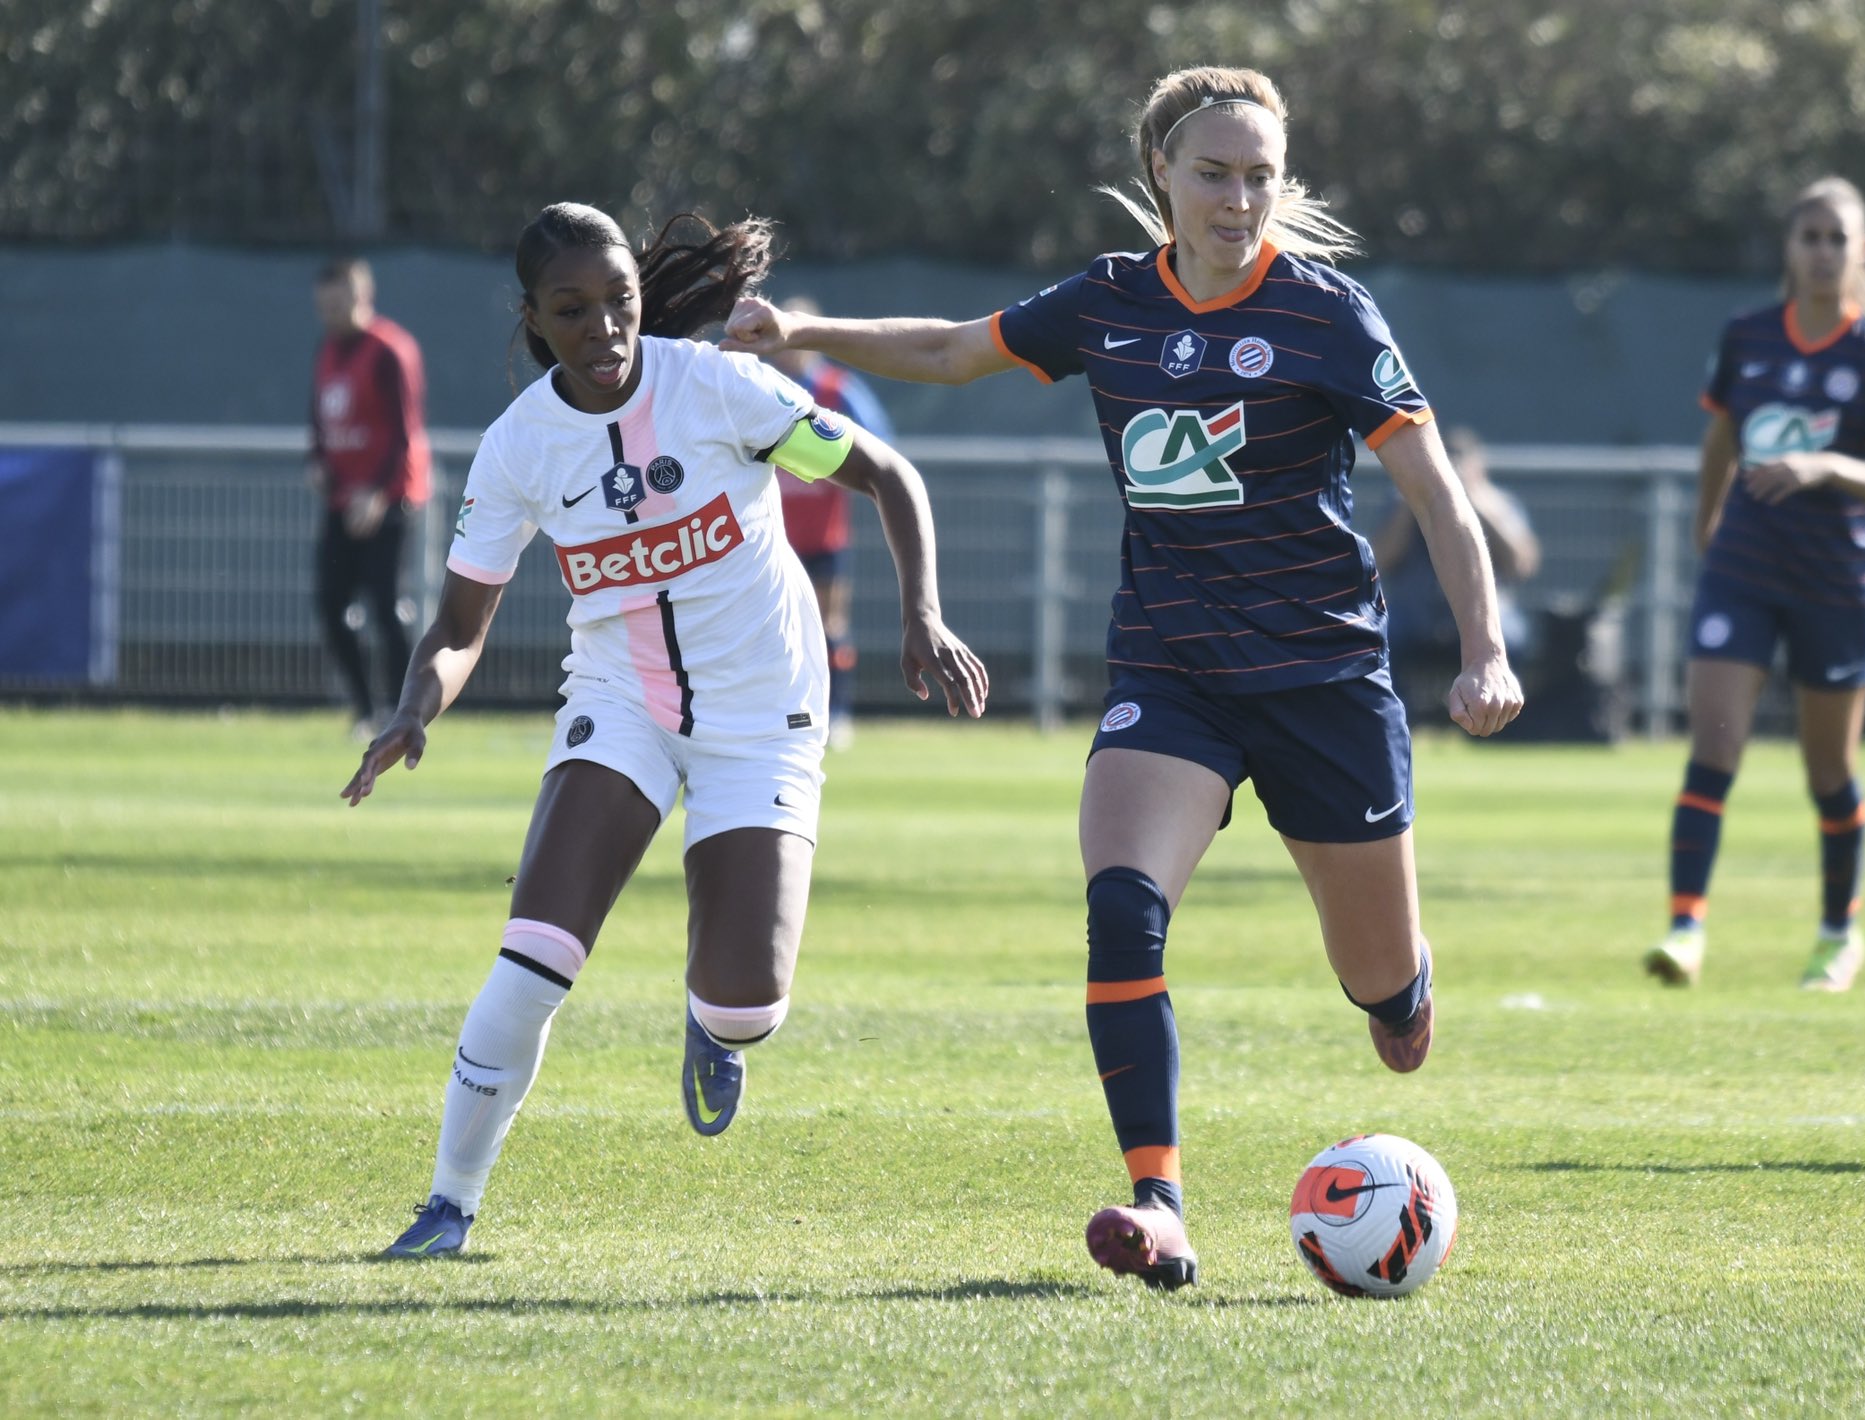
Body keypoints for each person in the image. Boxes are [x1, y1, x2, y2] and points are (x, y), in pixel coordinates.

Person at [724, 65, 1523, 1290]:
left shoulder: (1327, 314)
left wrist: (1483, 650)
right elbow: (948, 348)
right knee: (1119, 906)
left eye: (1260, 176)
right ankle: (1161, 1205)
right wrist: (802, 333)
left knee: (1385, 1009)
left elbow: (1434, 493)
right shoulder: (1107, 302)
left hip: (1322, 678)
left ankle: (1401, 988)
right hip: (1172, 670)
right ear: (1160, 171)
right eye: (1213, 173)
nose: (1238, 199)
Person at [342, 203, 988, 1258]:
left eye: (618, 305)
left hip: (764, 707)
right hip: (621, 704)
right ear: (533, 319)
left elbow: (885, 473)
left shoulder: (719, 387)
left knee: (745, 1004)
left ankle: (714, 1024)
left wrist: (922, 612)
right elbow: (458, 627)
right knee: (531, 960)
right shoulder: (517, 451)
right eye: (572, 311)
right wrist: (415, 707)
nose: (601, 331)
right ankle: (447, 1204)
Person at [1644, 176, 1865, 993]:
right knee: (1714, 750)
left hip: (1835, 586)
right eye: (1809, 235)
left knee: (1827, 773)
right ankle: (1685, 928)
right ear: (1788, 247)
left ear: (1861, 251)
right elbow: (1719, 441)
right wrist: (1708, 530)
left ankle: (1840, 933)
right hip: (1743, 572)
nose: (1822, 251)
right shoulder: (1749, 336)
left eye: (1838, 238)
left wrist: (1824, 465)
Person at [765, 296, 899, 749]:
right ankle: (778, 715)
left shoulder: (834, 388)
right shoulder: (762, 386)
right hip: (770, 534)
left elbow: (880, 439)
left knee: (828, 624)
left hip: (822, 531)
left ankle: (836, 714)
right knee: (771, 629)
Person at [309, 257, 433, 739]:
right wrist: (316, 460)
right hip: (342, 502)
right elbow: (318, 421)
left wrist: (377, 496)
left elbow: (405, 434)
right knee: (330, 604)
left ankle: (406, 711)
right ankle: (365, 710)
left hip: (389, 500)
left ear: (362, 298)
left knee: (385, 606)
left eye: (338, 304)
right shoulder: (328, 350)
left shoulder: (389, 351)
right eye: (323, 306)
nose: (330, 315)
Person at [1371, 426, 1541, 716]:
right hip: (1416, 614)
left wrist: (1471, 502)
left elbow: (1522, 563)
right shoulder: (1400, 501)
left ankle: (1503, 721)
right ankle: (1397, 717)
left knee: (1515, 637)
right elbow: (1380, 561)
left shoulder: (1500, 503)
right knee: (1379, 637)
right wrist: (1420, 501)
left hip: (1489, 615)